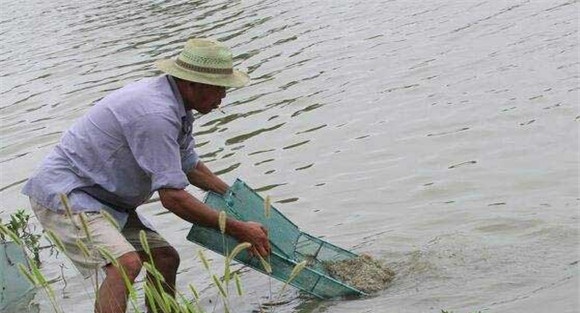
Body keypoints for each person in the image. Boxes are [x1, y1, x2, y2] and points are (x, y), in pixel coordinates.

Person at [22, 38, 271, 313]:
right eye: (219, 89)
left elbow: (190, 165)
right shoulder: (155, 114)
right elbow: (173, 198)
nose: (223, 96)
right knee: (125, 264)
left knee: (164, 259)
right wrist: (237, 227)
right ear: (193, 84)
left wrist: (237, 200)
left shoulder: (178, 107)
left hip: (108, 199)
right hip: (69, 195)